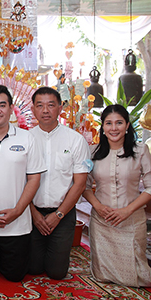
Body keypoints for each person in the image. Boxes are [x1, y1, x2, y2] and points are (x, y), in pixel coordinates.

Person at [0, 84, 45, 282]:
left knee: (15, 276)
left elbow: (34, 179)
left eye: (2, 105)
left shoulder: (27, 138)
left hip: (17, 224)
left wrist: (18, 211)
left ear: (11, 108)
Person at [82, 104, 151, 287]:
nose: (114, 128)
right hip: (103, 221)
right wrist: (98, 207)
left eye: (119, 123)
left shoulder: (141, 151)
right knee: (102, 277)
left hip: (131, 219)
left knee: (141, 278)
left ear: (127, 125)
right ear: (103, 127)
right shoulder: (92, 152)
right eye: (108, 123)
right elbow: (83, 187)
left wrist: (127, 211)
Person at [29, 87, 91, 280]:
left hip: (63, 212)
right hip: (31, 212)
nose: (45, 110)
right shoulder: (25, 139)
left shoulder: (75, 140)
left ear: (60, 108)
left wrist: (58, 215)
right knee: (33, 268)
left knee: (56, 273)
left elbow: (80, 184)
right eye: (40, 105)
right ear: (33, 110)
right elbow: (18, 182)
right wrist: (34, 214)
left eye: (50, 105)